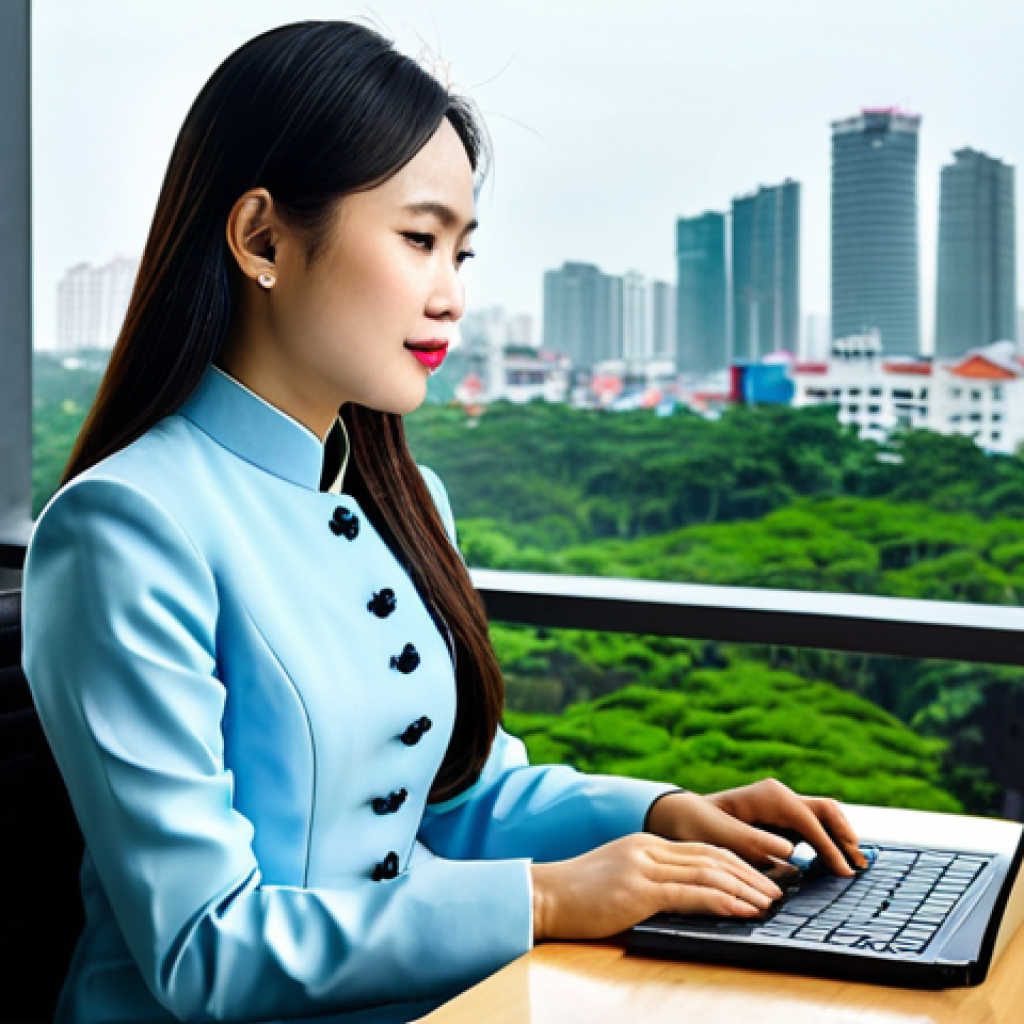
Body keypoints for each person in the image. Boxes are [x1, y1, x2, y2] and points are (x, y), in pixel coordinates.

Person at [23, 21, 866, 1024]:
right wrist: (547, 897)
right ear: (261, 237)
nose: (452, 296)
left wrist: (664, 813)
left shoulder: (400, 504)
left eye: (461, 252)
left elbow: (458, 796)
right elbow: (206, 946)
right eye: (419, 240)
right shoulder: (125, 527)